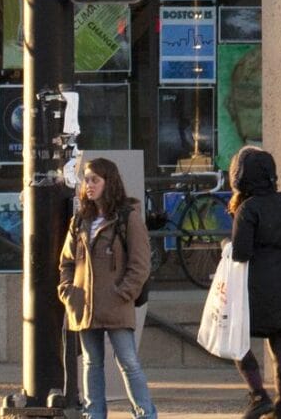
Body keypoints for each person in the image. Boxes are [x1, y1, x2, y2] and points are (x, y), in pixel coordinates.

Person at [60, 156, 157, 419]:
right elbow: (67, 262)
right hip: (84, 305)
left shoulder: (128, 218)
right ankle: (95, 414)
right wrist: (68, 291)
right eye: (86, 180)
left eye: (95, 180)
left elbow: (140, 263)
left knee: (127, 361)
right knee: (92, 363)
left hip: (116, 303)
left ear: (108, 182)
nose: (88, 185)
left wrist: (124, 292)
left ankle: (145, 413)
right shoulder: (80, 220)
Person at [228, 146, 281, 419]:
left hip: (253, 284)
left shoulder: (247, 208)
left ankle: (258, 395)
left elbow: (241, 253)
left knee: (238, 342)